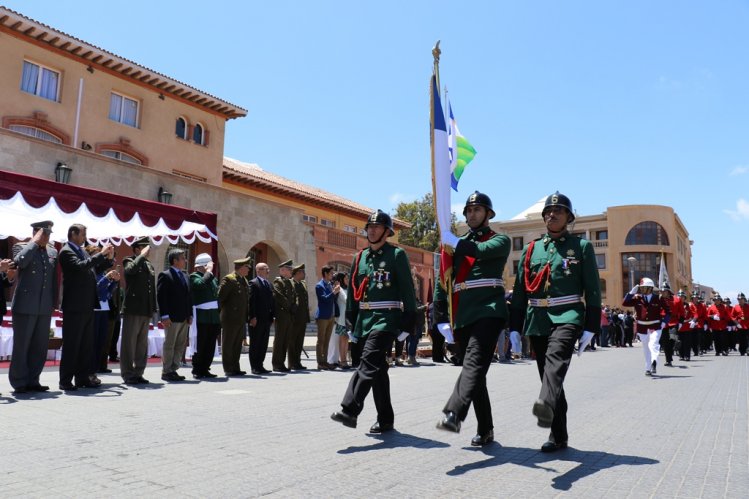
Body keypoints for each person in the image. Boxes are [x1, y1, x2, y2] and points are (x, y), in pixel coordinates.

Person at [510, 192, 601, 453]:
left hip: (568, 315)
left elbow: (592, 288)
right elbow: (519, 291)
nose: (552, 214)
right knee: (550, 377)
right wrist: (515, 327)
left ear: (569, 217)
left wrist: (591, 326)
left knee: (555, 363)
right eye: (548, 212)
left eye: (558, 211)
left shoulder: (581, 247)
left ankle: (545, 404)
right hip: (538, 319)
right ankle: (558, 436)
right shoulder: (532, 249)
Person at [435, 191, 510, 447]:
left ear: (488, 214)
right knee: (476, 374)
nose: (472, 214)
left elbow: (479, 251)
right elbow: (443, 279)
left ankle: (454, 412)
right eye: (468, 210)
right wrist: (440, 317)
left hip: (489, 310)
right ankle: (486, 429)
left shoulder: (500, 240)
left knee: (473, 364)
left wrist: (452, 242)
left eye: (477, 210)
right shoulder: (456, 243)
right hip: (463, 312)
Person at [331, 209, 416, 433]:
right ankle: (386, 419)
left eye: (377, 227)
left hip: (387, 319)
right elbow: (354, 293)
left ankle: (349, 410)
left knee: (367, 362)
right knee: (377, 371)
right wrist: (351, 322)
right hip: (365, 320)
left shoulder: (396, 255)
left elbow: (408, 291)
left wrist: (408, 324)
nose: (372, 230)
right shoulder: (360, 257)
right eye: (369, 227)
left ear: (387, 232)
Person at [58, 226, 114, 391]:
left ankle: (82, 378)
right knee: (72, 344)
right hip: (74, 305)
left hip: (87, 304)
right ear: (73, 234)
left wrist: (108, 260)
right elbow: (81, 266)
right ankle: (65, 380)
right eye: (83, 234)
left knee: (85, 344)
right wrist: (100, 254)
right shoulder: (66, 251)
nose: (85, 237)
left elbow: (93, 268)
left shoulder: (81, 250)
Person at [9, 221, 58, 394]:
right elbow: (19, 263)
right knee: (22, 345)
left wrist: (54, 304)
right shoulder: (21, 247)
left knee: (39, 346)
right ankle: (19, 381)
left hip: (43, 307)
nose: (47, 237)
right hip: (25, 305)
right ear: (36, 233)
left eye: (49, 234)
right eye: (44, 234)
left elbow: (54, 280)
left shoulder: (52, 251)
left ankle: (33, 380)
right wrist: (34, 243)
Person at [120, 237, 157, 385]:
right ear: (137, 249)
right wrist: (141, 256)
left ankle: (138, 372)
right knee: (129, 343)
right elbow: (130, 271)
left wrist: (153, 308)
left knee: (142, 345)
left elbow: (151, 289)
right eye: (145, 247)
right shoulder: (128, 260)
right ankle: (128, 374)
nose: (148, 250)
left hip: (145, 309)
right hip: (133, 309)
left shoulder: (149, 265)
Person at [157, 249, 193, 382]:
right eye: (183, 258)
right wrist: (164, 316)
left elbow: (189, 297)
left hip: (184, 317)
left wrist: (190, 314)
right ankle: (166, 371)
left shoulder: (185, 276)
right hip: (172, 317)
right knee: (170, 344)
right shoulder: (165, 275)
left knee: (180, 345)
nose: (185, 260)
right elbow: (162, 297)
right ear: (175, 261)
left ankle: (174, 369)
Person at [623, 277, 670, 376]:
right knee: (646, 348)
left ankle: (654, 362)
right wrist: (631, 293)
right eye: (642, 288)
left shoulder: (659, 298)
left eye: (645, 288)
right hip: (642, 327)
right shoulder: (637, 298)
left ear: (651, 288)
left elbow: (668, 312)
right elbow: (625, 303)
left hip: (656, 326)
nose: (643, 290)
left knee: (653, 344)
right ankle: (648, 368)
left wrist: (664, 322)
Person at [218, 257, 251, 376]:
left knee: (237, 344)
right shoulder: (229, 279)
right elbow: (220, 298)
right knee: (228, 343)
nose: (249, 269)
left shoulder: (244, 280)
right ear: (241, 268)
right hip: (230, 318)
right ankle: (228, 368)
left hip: (241, 318)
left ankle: (235, 366)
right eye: (247, 267)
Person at [189, 253, 220, 378]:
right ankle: (197, 369)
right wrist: (209, 272)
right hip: (202, 316)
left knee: (210, 344)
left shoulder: (212, 278)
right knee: (201, 344)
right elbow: (200, 284)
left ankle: (206, 367)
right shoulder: (194, 277)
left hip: (213, 316)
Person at [93, 255, 120, 374]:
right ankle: (92, 369)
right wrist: (107, 277)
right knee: (95, 340)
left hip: (104, 309)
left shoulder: (103, 273)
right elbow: (97, 288)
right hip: (95, 309)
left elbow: (108, 293)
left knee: (102, 340)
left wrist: (114, 282)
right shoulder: (94, 273)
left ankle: (98, 366)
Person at [247, 262, 275, 374]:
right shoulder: (253, 283)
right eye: (265, 268)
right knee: (255, 343)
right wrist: (252, 317)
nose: (268, 270)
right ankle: (254, 366)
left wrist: (273, 315)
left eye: (268, 268)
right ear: (258, 270)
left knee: (263, 343)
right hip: (257, 319)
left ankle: (260, 365)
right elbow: (251, 302)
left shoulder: (268, 284)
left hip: (266, 319)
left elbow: (271, 301)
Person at [271, 260, 294, 372]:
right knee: (280, 340)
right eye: (289, 270)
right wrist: (290, 305)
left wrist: (293, 306)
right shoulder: (278, 282)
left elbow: (293, 297)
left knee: (285, 339)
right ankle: (277, 363)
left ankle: (282, 363)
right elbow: (279, 296)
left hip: (288, 314)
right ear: (283, 270)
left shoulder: (289, 282)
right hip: (281, 314)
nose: (291, 272)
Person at [315, 265, 339, 370]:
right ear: (325, 274)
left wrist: (335, 292)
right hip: (323, 316)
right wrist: (334, 292)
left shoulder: (330, 284)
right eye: (331, 273)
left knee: (327, 340)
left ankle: (325, 362)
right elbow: (324, 299)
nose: (332, 275)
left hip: (331, 315)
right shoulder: (319, 286)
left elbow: (333, 299)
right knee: (321, 340)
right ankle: (320, 362)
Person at [288, 263, 310, 370]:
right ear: (297, 273)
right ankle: (292, 362)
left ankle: (298, 362)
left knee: (299, 341)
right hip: (295, 317)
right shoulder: (291, 283)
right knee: (292, 341)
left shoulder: (303, 284)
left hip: (302, 317)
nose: (304, 274)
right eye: (302, 272)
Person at [659, 283, 684, 367]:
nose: (662, 293)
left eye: (664, 291)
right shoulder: (659, 300)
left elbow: (682, 312)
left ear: (668, 291)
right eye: (661, 291)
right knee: (666, 343)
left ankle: (676, 344)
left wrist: (681, 322)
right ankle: (668, 360)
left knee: (672, 338)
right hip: (664, 323)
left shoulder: (677, 299)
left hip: (674, 322)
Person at [329, 271, 350, 369]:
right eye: (345, 278)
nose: (347, 280)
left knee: (346, 339)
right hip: (341, 318)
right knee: (342, 339)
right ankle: (343, 360)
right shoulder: (340, 289)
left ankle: (344, 359)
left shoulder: (347, 289)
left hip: (346, 319)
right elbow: (346, 300)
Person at [406, 299, 427, 366]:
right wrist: (424, 307)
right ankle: (411, 357)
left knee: (414, 340)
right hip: (415, 323)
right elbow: (415, 309)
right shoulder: (411, 300)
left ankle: (412, 357)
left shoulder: (416, 300)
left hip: (418, 323)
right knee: (413, 340)